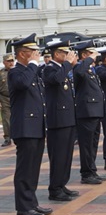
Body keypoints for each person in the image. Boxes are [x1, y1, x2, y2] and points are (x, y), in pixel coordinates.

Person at [9, 33, 52, 215]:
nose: (37, 54)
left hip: (36, 126)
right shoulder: (15, 72)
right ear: (22, 54)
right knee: (25, 169)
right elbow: (23, 84)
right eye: (33, 51)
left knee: (33, 168)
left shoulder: (31, 71)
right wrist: (34, 65)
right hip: (25, 128)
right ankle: (23, 208)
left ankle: (32, 203)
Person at [42, 41, 79, 202]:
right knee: (58, 155)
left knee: (66, 155)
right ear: (57, 54)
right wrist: (68, 65)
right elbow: (56, 80)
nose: (68, 56)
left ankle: (62, 184)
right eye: (65, 53)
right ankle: (55, 189)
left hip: (67, 118)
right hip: (57, 120)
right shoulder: (49, 68)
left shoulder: (61, 68)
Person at [73, 41, 105, 185]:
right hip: (86, 112)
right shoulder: (80, 67)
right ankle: (86, 173)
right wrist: (89, 59)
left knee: (93, 143)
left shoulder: (90, 69)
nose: (95, 56)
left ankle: (92, 170)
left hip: (95, 111)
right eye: (91, 53)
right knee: (86, 145)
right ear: (84, 55)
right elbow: (79, 72)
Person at [0, 54, 14, 146]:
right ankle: (8, 138)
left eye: (12, 60)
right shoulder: (1, 73)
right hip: (4, 98)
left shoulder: (18, 71)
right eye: (8, 61)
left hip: (17, 98)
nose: (11, 63)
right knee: (6, 119)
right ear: (4, 62)